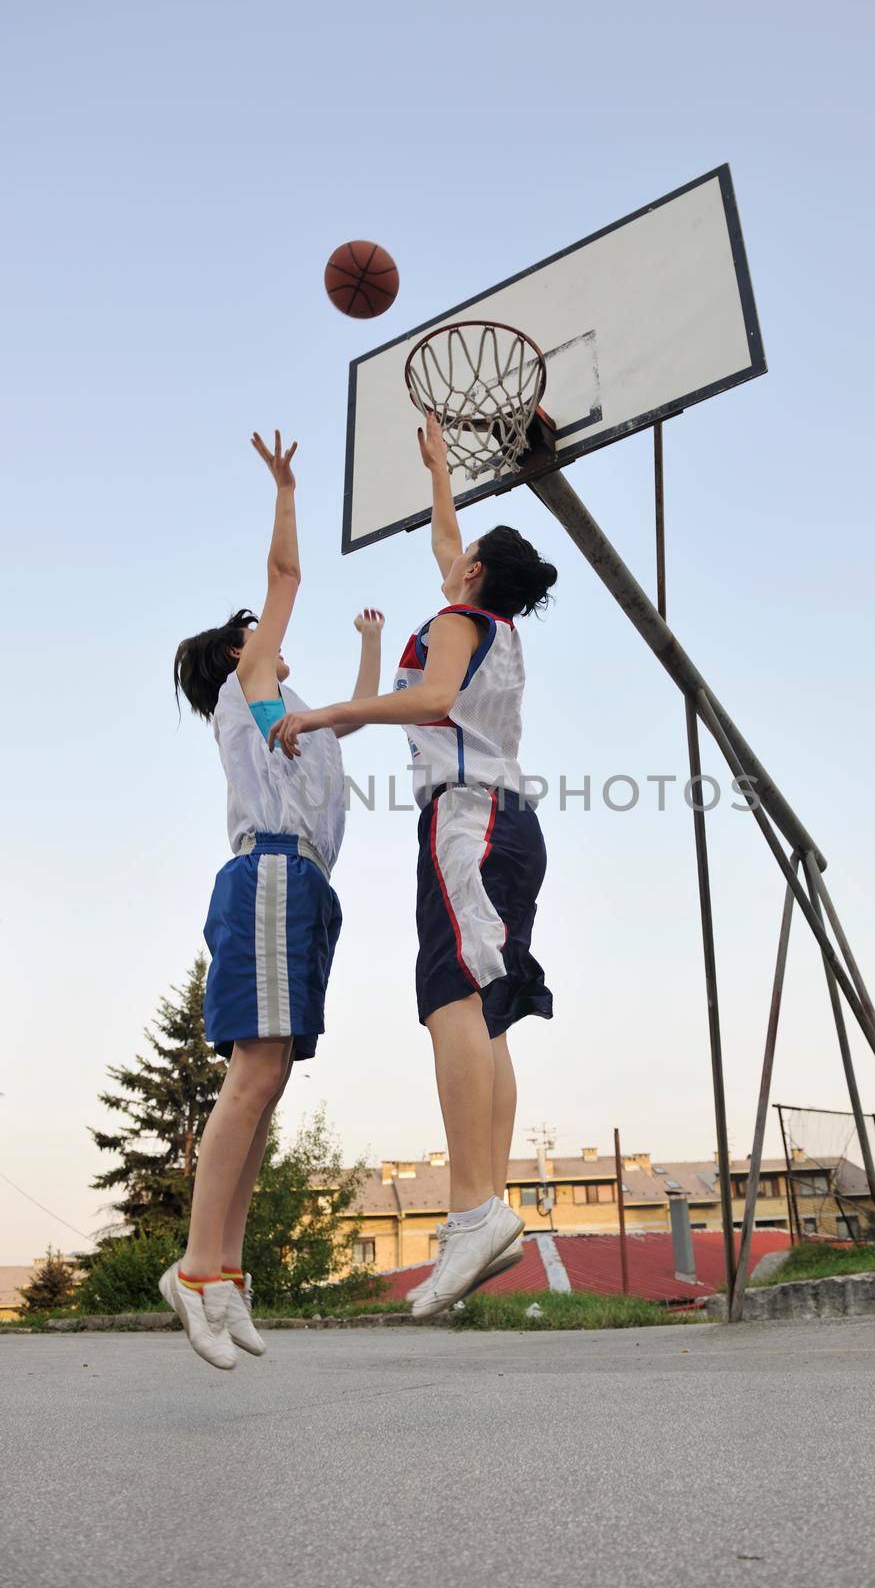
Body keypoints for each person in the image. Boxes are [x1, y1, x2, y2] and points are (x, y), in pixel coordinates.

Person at [269, 412, 557, 1318]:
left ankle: (474, 1208)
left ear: (476, 575)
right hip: (508, 827)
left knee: (449, 1003)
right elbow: (446, 541)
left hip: (465, 824)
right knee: (485, 1012)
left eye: (464, 552)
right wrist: (440, 470)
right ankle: (485, 1205)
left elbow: (431, 695)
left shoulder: (456, 622)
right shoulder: (491, 619)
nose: (453, 551)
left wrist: (319, 719)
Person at [165, 429, 383, 1368]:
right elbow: (285, 575)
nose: (273, 633)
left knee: (271, 1082)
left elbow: (362, 719)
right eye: (256, 630)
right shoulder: (241, 693)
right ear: (237, 656)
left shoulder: (295, 722)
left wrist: (371, 652)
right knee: (250, 1077)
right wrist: (288, 489)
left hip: (308, 892)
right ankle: (196, 1270)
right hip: (267, 876)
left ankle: (230, 1272)